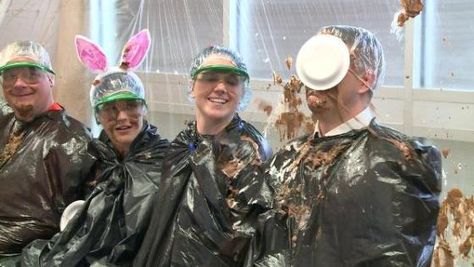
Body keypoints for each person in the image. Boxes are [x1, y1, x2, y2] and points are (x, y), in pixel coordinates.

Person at [263, 25, 442, 266]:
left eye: (329, 63)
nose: (317, 74)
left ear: (365, 80)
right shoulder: (286, 159)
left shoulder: (401, 161)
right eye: (314, 62)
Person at [20, 29, 170, 266]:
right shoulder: (93, 157)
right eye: (110, 108)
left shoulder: (166, 162)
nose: (122, 117)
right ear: (98, 116)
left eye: (131, 106)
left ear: (144, 109)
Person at [134, 46, 275, 266]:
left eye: (231, 81)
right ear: (192, 87)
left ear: (242, 92)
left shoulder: (247, 152)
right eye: (210, 78)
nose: (220, 88)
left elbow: (247, 244)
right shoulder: (183, 143)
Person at [0, 41, 95, 260]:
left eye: (32, 74)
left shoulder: (76, 141)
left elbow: (83, 229)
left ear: (50, 79)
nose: (19, 84)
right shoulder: (5, 123)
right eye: (10, 76)